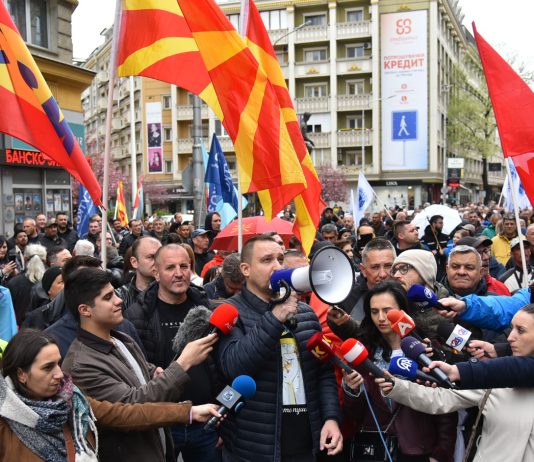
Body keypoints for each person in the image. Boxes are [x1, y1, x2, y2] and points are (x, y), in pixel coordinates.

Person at [61, 267, 218, 462]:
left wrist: (152, 372)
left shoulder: (120, 338)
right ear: (85, 310)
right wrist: (183, 363)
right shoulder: (81, 365)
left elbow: (134, 370)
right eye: (108, 297)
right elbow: (132, 407)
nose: (119, 301)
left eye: (115, 293)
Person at [0, 329, 221, 462]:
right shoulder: (5, 421)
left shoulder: (74, 401)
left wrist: (188, 412)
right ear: (21, 374)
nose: (60, 374)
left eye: (58, 363)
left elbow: (126, 414)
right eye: (47, 368)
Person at [216, 235, 342, 461]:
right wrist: (275, 318)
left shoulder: (305, 313)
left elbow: (323, 372)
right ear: (245, 269)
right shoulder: (230, 312)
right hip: (254, 445)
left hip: (307, 440)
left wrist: (331, 418)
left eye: (280, 259)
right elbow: (235, 366)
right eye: (267, 260)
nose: (277, 266)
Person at [377, 304, 534, 462]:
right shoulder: (493, 378)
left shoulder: (490, 371)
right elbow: (440, 399)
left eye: (520, 330)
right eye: (511, 328)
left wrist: (458, 371)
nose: (510, 337)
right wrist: (396, 386)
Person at [125, 244, 221, 461]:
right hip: (163, 423)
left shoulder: (209, 310)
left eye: (184, 266)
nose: (179, 273)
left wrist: (224, 414)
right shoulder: (137, 315)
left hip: (207, 420)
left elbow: (223, 365)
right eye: (170, 268)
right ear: (156, 273)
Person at [342, 281, 456, 462]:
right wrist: (352, 390)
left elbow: (446, 408)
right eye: (374, 311)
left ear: (402, 311)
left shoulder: (425, 350)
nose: (381, 318)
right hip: (375, 448)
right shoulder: (363, 352)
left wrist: (441, 452)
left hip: (418, 450)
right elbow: (355, 414)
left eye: (387, 311)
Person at [117, 236, 162, 311]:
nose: (158, 261)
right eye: (151, 257)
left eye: (160, 256)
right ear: (134, 262)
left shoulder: (174, 290)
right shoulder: (120, 296)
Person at [7, 244, 47, 324]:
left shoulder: (14, 282)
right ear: (45, 260)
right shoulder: (51, 281)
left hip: (20, 327)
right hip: (44, 327)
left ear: (25, 259)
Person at [422, 215, 449, 281]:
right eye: (440, 223)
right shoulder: (424, 239)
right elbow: (426, 253)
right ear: (434, 224)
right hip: (431, 270)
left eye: (442, 223)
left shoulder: (446, 237)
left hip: (445, 269)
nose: (442, 225)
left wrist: (444, 251)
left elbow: (450, 250)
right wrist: (438, 252)